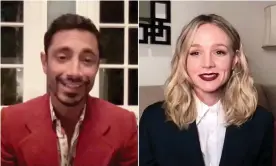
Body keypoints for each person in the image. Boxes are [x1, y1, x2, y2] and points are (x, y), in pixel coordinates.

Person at [1, 14, 138, 166]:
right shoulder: (10, 123)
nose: (74, 72)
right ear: (45, 62)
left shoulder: (124, 126)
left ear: (97, 66)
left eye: (87, 60)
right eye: (62, 57)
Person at [139, 14, 274, 166]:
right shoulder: (153, 119)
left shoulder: (262, 121)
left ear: (234, 60)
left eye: (219, 52)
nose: (208, 63)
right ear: (183, 60)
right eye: (195, 53)